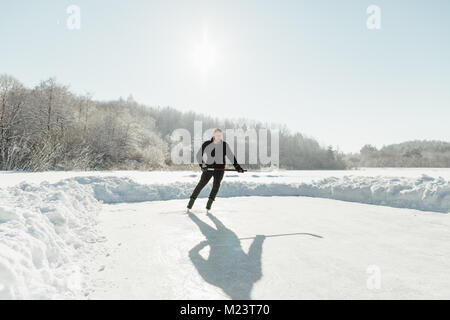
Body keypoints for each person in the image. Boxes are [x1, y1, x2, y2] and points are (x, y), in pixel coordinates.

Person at [187, 128, 244, 211]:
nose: (218, 137)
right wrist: (202, 165)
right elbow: (199, 155)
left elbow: (231, 157)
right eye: (216, 135)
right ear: (213, 135)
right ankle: (191, 202)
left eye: (219, 136)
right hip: (208, 168)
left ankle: (209, 204)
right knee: (201, 184)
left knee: (216, 186)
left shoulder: (224, 145)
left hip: (220, 170)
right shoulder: (207, 144)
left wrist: (238, 167)